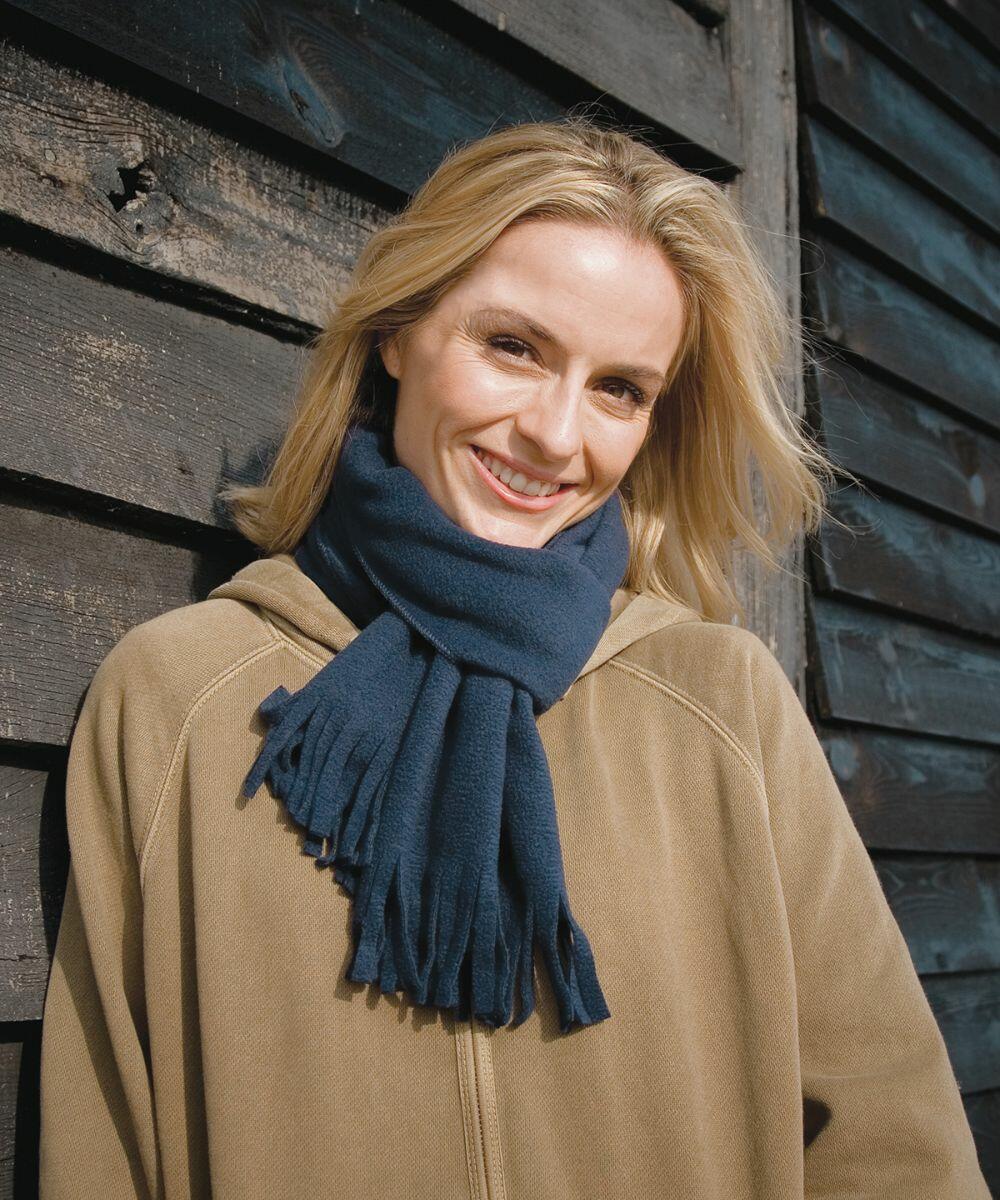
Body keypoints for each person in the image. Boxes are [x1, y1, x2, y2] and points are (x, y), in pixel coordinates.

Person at [37, 116, 989, 1199]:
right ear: (397, 333)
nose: (554, 434)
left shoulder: (721, 701)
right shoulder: (178, 696)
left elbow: (891, 1144)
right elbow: (100, 1141)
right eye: (513, 346)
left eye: (619, 388)